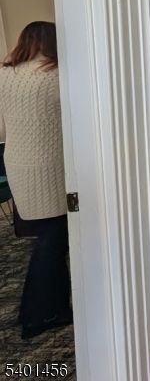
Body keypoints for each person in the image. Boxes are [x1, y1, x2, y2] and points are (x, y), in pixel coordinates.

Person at [0, 21, 71, 338]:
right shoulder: (55, 75)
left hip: (17, 163)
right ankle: (37, 314)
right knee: (52, 242)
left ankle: (51, 305)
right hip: (49, 166)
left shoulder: (6, 73)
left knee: (48, 238)